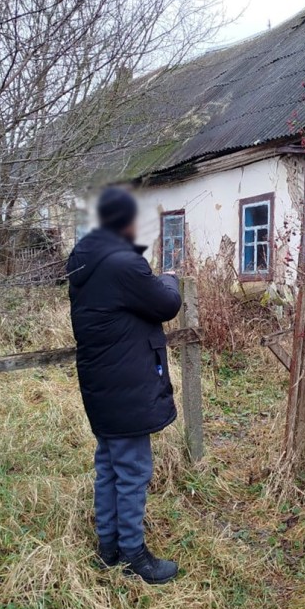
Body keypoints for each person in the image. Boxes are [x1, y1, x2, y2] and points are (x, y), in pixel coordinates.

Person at [66, 186, 182, 584]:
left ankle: (109, 548)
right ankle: (135, 556)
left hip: (101, 383)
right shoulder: (121, 263)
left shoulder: (85, 261)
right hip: (127, 384)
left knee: (110, 468)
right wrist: (170, 278)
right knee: (132, 470)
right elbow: (165, 304)